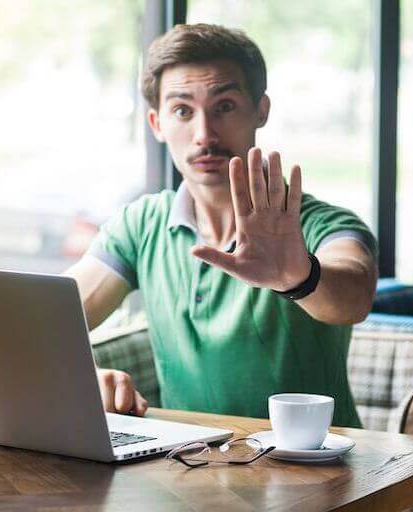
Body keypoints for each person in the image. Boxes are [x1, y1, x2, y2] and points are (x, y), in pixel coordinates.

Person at [65, 23, 378, 427]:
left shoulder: (320, 222)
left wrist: (298, 275)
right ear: (157, 124)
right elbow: (53, 318)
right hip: (187, 465)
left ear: (260, 111)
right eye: (182, 111)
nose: (204, 134)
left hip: (314, 469)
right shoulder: (141, 224)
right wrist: (78, 378)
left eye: (224, 107)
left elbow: (354, 296)